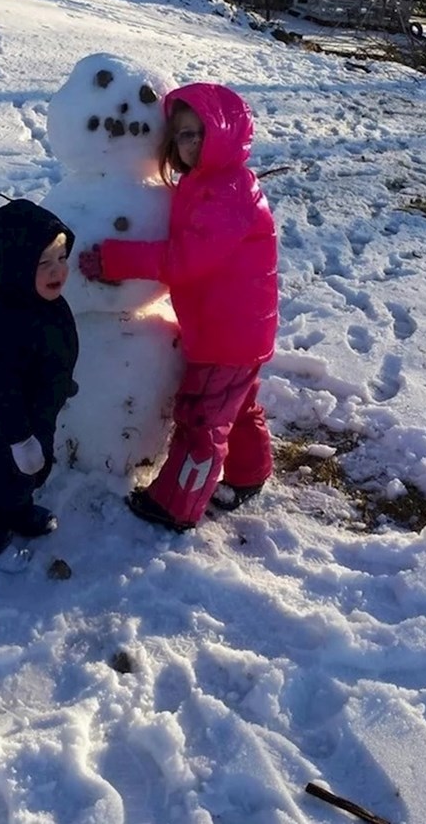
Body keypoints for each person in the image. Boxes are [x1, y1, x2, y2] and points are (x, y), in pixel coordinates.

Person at [79, 83, 278, 532]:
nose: (190, 144)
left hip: (225, 335)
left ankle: (176, 505)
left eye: (200, 132)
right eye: (183, 135)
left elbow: (184, 259)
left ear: (226, 132)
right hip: (235, 329)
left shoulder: (227, 191)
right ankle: (250, 471)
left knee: (202, 421)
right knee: (238, 406)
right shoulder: (213, 184)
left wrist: (115, 258)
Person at [0, 199, 79, 563]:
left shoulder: (48, 303)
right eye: (44, 263)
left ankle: (17, 509)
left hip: (36, 416)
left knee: (27, 476)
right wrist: (19, 439)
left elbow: (57, 351)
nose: (58, 271)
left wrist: (60, 385)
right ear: (16, 265)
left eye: (62, 257)